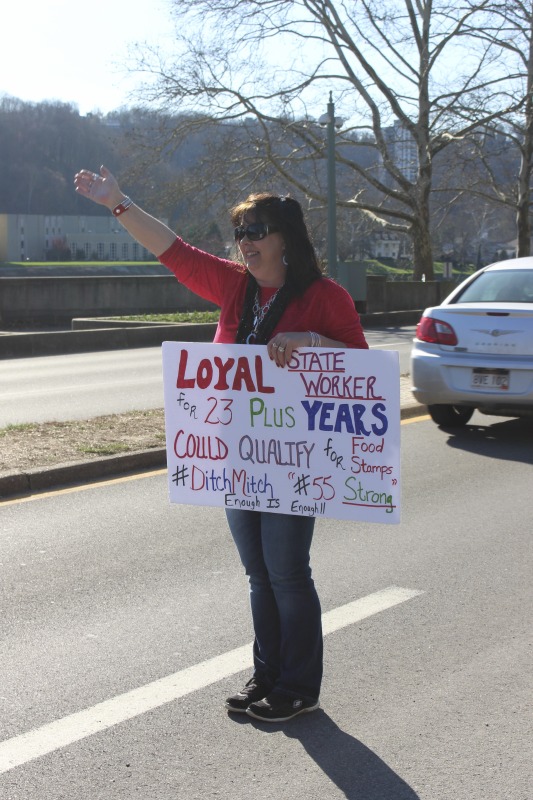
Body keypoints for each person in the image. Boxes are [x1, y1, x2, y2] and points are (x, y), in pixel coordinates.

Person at [74, 165, 369, 722]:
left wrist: (310, 340)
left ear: (287, 238)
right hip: (237, 455)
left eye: (257, 231)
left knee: (287, 571)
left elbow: (362, 371)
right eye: (241, 233)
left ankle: (300, 686)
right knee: (259, 574)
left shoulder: (325, 297)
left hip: (293, 459)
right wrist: (118, 202)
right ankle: (268, 673)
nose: (246, 242)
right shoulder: (234, 287)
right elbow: (174, 250)